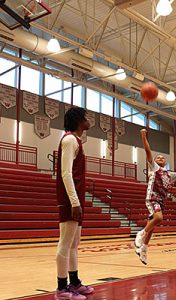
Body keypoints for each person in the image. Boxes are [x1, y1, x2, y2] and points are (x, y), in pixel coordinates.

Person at [55, 107, 94, 300]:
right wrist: (74, 201)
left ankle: (74, 282)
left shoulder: (76, 140)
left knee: (74, 243)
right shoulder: (69, 139)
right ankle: (62, 288)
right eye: (85, 117)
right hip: (70, 200)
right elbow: (65, 173)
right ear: (79, 120)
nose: (88, 120)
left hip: (76, 199)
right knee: (65, 243)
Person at [134, 129, 176, 265]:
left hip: (161, 201)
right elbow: (148, 151)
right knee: (158, 218)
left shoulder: (168, 173)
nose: (160, 158)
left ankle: (143, 249)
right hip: (152, 197)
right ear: (154, 162)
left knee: (153, 226)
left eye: (162, 157)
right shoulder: (154, 168)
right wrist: (143, 136)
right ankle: (140, 234)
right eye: (158, 157)